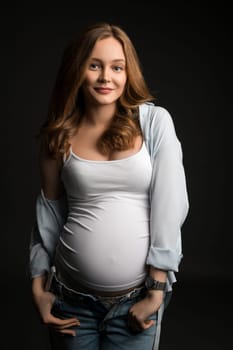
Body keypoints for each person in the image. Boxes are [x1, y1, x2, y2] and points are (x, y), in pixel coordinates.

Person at [29, 22, 189, 350]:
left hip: (137, 299)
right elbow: (47, 211)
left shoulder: (154, 122)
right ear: (78, 70)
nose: (106, 77)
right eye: (94, 65)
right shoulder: (58, 134)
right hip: (70, 299)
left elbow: (170, 204)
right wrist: (38, 285)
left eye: (117, 67)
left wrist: (156, 289)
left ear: (128, 73)